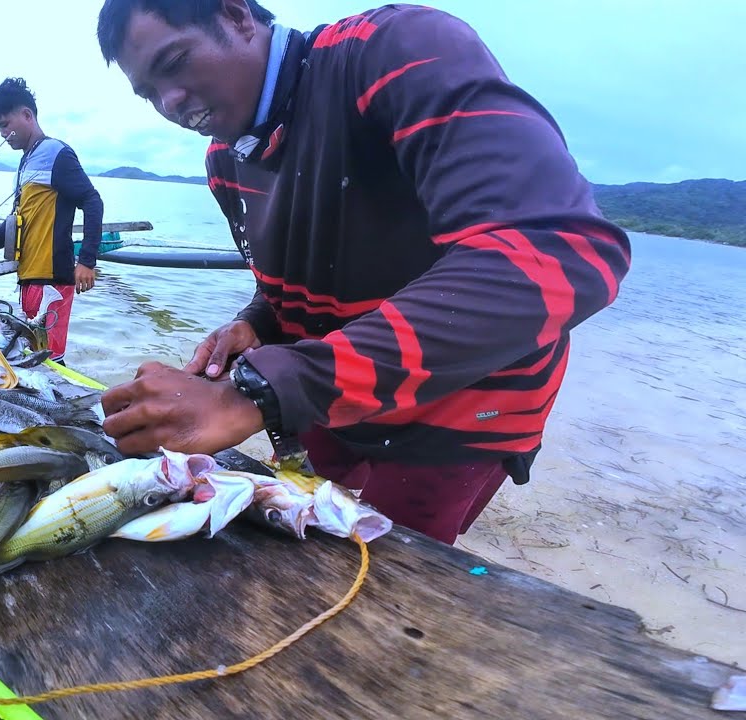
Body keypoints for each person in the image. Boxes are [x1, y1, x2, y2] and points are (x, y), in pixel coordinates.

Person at [95, 0, 632, 544]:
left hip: (461, 408)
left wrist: (259, 394)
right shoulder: (225, 160)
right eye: (148, 92)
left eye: (175, 61)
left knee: (390, 570)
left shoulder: (397, 51)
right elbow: (284, 277)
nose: (170, 101)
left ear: (236, 16)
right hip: (333, 395)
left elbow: (564, 251)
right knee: (312, 543)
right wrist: (257, 322)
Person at [0, 77, 104, 365]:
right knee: (30, 357)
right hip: (29, 278)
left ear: (27, 115)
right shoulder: (26, 162)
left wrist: (87, 260)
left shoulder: (57, 153)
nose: (3, 133)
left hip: (53, 282)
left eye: (6, 124)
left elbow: (92, 201)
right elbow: (19, 221)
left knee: (49, 360)